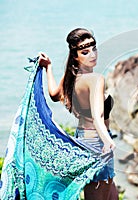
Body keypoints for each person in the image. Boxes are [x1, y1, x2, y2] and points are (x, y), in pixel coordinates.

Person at [38, 28, 118, 200]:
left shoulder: (71, 77)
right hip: (97, 142)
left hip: (85, 139)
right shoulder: (96, 79)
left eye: (94, 49)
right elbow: (97, 115)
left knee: (112, 195)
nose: (92, 54)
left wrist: (48, 67)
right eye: (85, 52)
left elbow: (53, 94)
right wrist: (107, 140)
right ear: (75, 56)